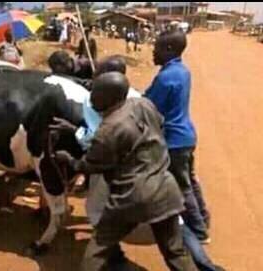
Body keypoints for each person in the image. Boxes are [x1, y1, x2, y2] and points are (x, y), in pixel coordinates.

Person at [54, 72, 197, 271]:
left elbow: (90, 165)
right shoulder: (143, 105)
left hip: (131, 197)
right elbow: (160, 123)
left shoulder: (108, 130)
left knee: (99, 247)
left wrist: (68, 159)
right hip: (165, 188)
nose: (91, 96)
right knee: (175, 251)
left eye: (96, 92)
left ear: (109, 97)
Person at [145, 30, 211, 243]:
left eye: (157, 47)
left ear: (170, 49)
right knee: (190, 181)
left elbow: (150, 106)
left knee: (182, 186)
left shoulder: (166, 77)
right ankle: (203, 218)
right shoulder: (182, 71)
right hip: (186, 136)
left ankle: (199, 232)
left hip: (173, 140)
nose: (153, 51)